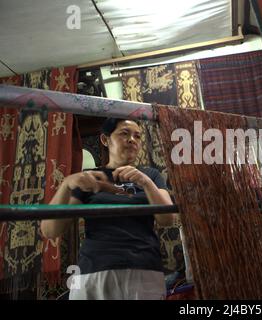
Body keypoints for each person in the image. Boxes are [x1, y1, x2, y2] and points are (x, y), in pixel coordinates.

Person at [41, 118, 176, 300]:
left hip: (143, 270)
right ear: (105, 140)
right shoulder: (90, 178)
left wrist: (145, 182)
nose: (132, 140)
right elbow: (50, 230)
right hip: (94, 271)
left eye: (137, 136)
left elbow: (167, 220)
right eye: (124, 133)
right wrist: (66, 185)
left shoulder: (151, 175)